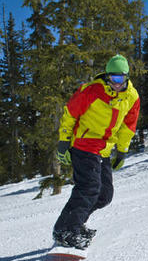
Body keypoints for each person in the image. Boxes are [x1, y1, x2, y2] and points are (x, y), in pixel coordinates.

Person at [52, 54, 140, 249]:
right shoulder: (91, 91)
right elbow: (70, 114)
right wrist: (64, 141)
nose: (116, 83)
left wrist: (122, 151)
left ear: (126, 77)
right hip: (84, 145)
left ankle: (69, 225)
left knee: (104, 195)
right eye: (112, 78)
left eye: (120, 78)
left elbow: (128, 127)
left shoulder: (132, 97)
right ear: (107, 76)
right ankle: (69, 230)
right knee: (89, 188)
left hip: (104, 150)